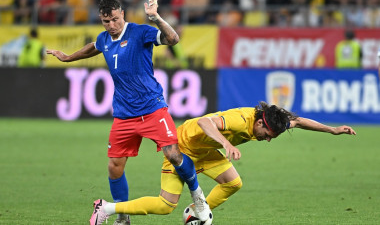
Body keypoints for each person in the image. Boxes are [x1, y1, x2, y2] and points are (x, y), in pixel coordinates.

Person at [46, 0, 211, 225]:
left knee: (173, 154)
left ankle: (198, 196)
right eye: (106, 21)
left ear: (122, 14)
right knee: (114, 166)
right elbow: (93, 48)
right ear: (101, 20)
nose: (111, 25)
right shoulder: (104, 39)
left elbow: (173, 39)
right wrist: (68, 57)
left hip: (153, 108)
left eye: (115, 19)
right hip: (124, 115)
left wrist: (156, 18)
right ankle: (122, 217)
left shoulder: (139, 32)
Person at [89, 101, 356, 224]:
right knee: (165, 205)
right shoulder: (241, 120)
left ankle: (194, 214)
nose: (268, 139)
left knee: (233, 183)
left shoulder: (271, 120)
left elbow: (297, 121)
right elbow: (205, 122)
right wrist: (227, 143)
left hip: (207, 151)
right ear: (261, 122)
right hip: (183, 147)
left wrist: (332, 130)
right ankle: (107, 208)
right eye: (268, 135)